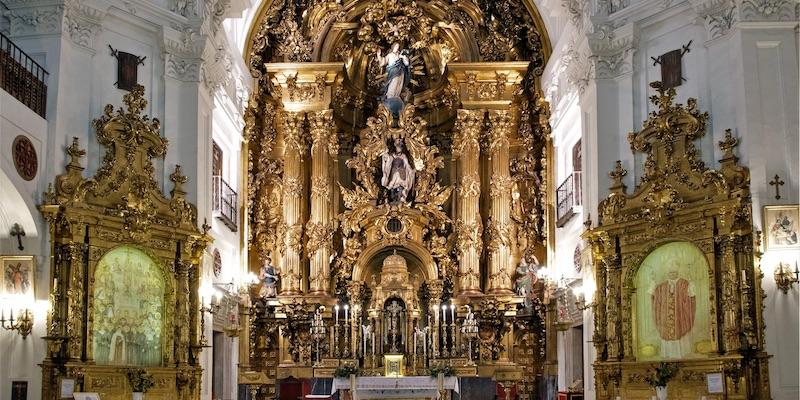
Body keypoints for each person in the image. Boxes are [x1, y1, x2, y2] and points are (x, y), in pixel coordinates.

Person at [650, 267, 695, 358]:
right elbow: (655, 297)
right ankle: (668, 354)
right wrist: (653, 284)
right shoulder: (662, 286)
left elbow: (691, 297)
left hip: (680, 317)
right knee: (666, 331)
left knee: (680, 333)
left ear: (678, 272)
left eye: (674, 272)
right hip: (665, 318)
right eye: (670, 272)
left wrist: (690, 287)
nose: (672, 274)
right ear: (667, 273)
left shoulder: (684, 284)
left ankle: (682, 353)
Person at [377, 43, 411, 124]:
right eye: (396, 46)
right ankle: (390, 95)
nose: (397, 48)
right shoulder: (390, 55)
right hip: (393, 72)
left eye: (398, 46)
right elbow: (382, 62)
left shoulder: (400, 55)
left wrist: (403, 57)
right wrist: (378, 55)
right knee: (393, 83)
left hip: (401, 72)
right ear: (392, 47)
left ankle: (396, 95)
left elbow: (406, 64)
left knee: (399, 85)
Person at [381, 137, 415, 204]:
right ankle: (393, 198)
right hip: (393, 173)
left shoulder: (403, 156)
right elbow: (387, 162)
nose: (399, 148)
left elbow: (407, 164)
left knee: (401, 186)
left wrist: (411, 170)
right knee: (392, 186)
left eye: (400, 147)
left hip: (402, 173)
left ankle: (401, 198)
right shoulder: (392, 155)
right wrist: (385, 159)